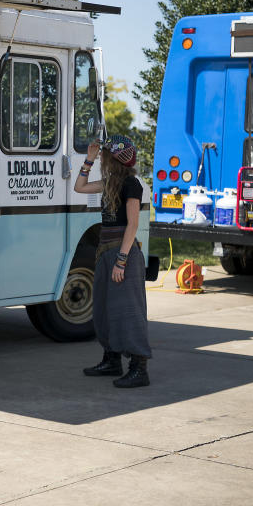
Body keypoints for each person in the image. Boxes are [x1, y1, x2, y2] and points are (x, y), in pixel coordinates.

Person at [73, 134, 151, 388]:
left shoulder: (132, 184)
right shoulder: (109, 183)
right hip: (106, 251)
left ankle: (139, 369)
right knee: (104, 310)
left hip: (122, 253)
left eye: (105, 156)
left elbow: (133, 224)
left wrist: (121, 261)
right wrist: (88, 160)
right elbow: (79, 187)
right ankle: (112, 360)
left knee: (129, 312)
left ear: (116, 159)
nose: (102, 160)